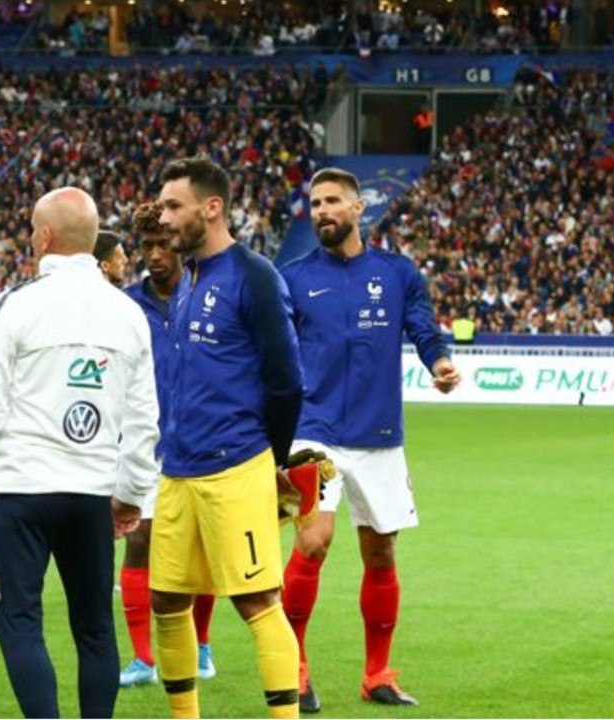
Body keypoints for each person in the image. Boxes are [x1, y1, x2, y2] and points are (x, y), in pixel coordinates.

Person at [0, 187, 160, 719]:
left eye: (31, 229)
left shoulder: (16, 304)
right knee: (95, 626)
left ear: (44, 236)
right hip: (93, 492)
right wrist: (132, 493)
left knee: (19, 619)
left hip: (21, 488)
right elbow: (144, 419)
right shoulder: (128, 313)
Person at [278, 167, 460, 713]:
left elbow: (424, 329)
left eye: (333, 201)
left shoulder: (398, 273)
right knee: (313, 540)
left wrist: (441, 362)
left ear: (359, 209)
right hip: (313, 429)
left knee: (381, 551)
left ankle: (377, 673)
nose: (322, 211)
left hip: (379, 434)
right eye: (315, 203)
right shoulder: (292, 278)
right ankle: (296, 666)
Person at [150, 157, 303, 719]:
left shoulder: (254, 274)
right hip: (179, 468)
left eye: (173, 205)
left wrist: (272, 462)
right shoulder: (187, 279)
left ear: (211, 207)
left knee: (256, 599)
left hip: (235, 464)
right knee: (167, 600)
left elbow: (286, 380)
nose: (163, 217)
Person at [118, 202, 218, 688]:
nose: (155, 255)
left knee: (200, 552)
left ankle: (201, 647)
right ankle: (143, 659)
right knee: (138, 542)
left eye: (163, 244)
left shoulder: (205, 296)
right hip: (143, 445)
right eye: (147, 246)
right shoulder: (125, 305)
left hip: (202, 440)